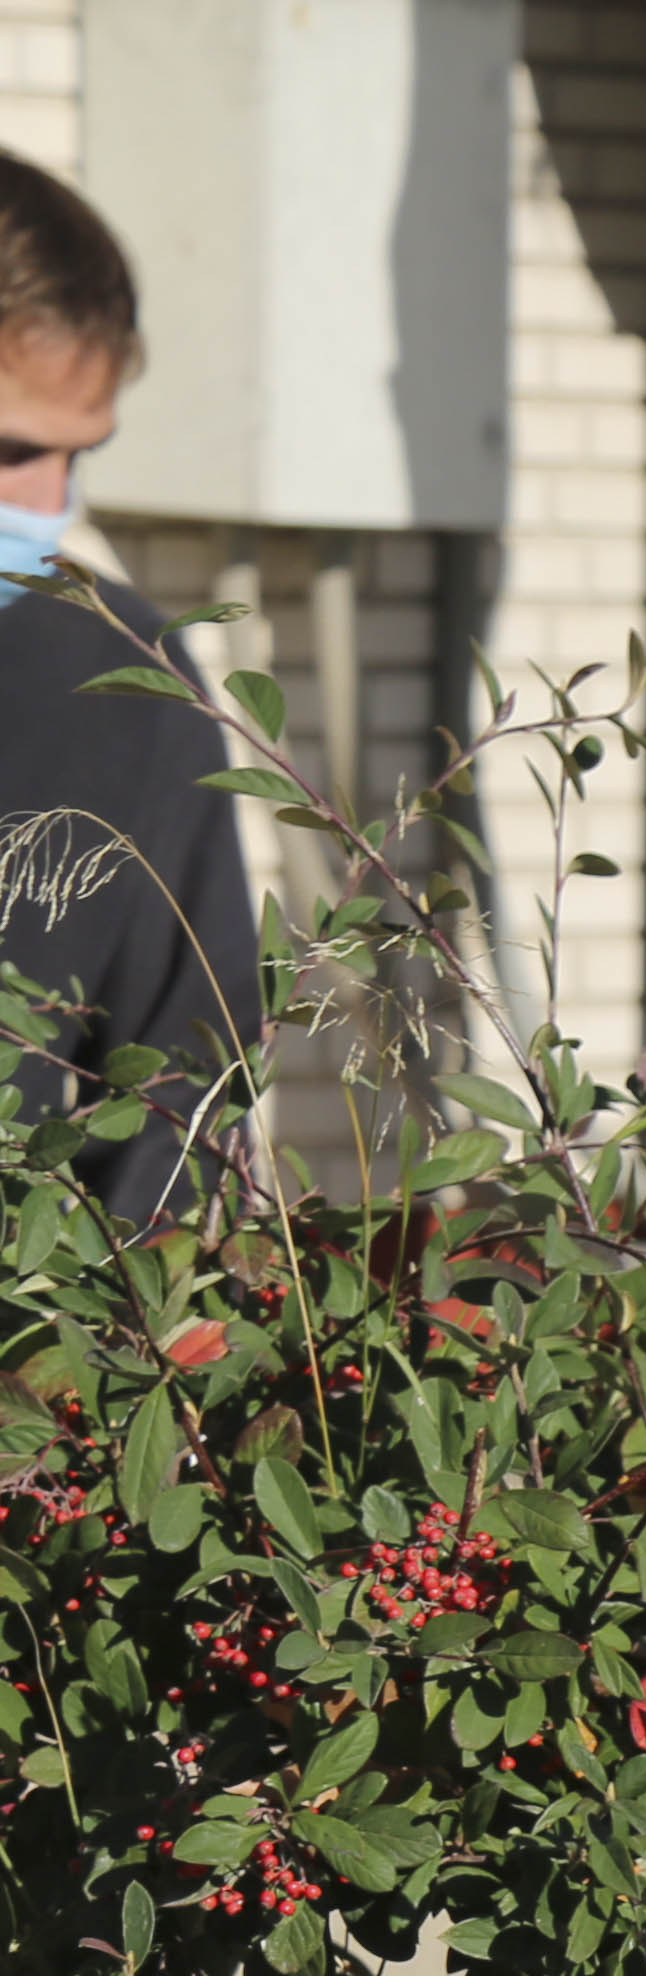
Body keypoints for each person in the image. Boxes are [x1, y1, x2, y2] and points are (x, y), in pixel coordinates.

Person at [0, 151, 250, 1230]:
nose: (49, 504)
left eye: (75, 454)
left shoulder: (122, 688)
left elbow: (183, 1086)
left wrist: (78, 1376)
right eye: (9, 449)